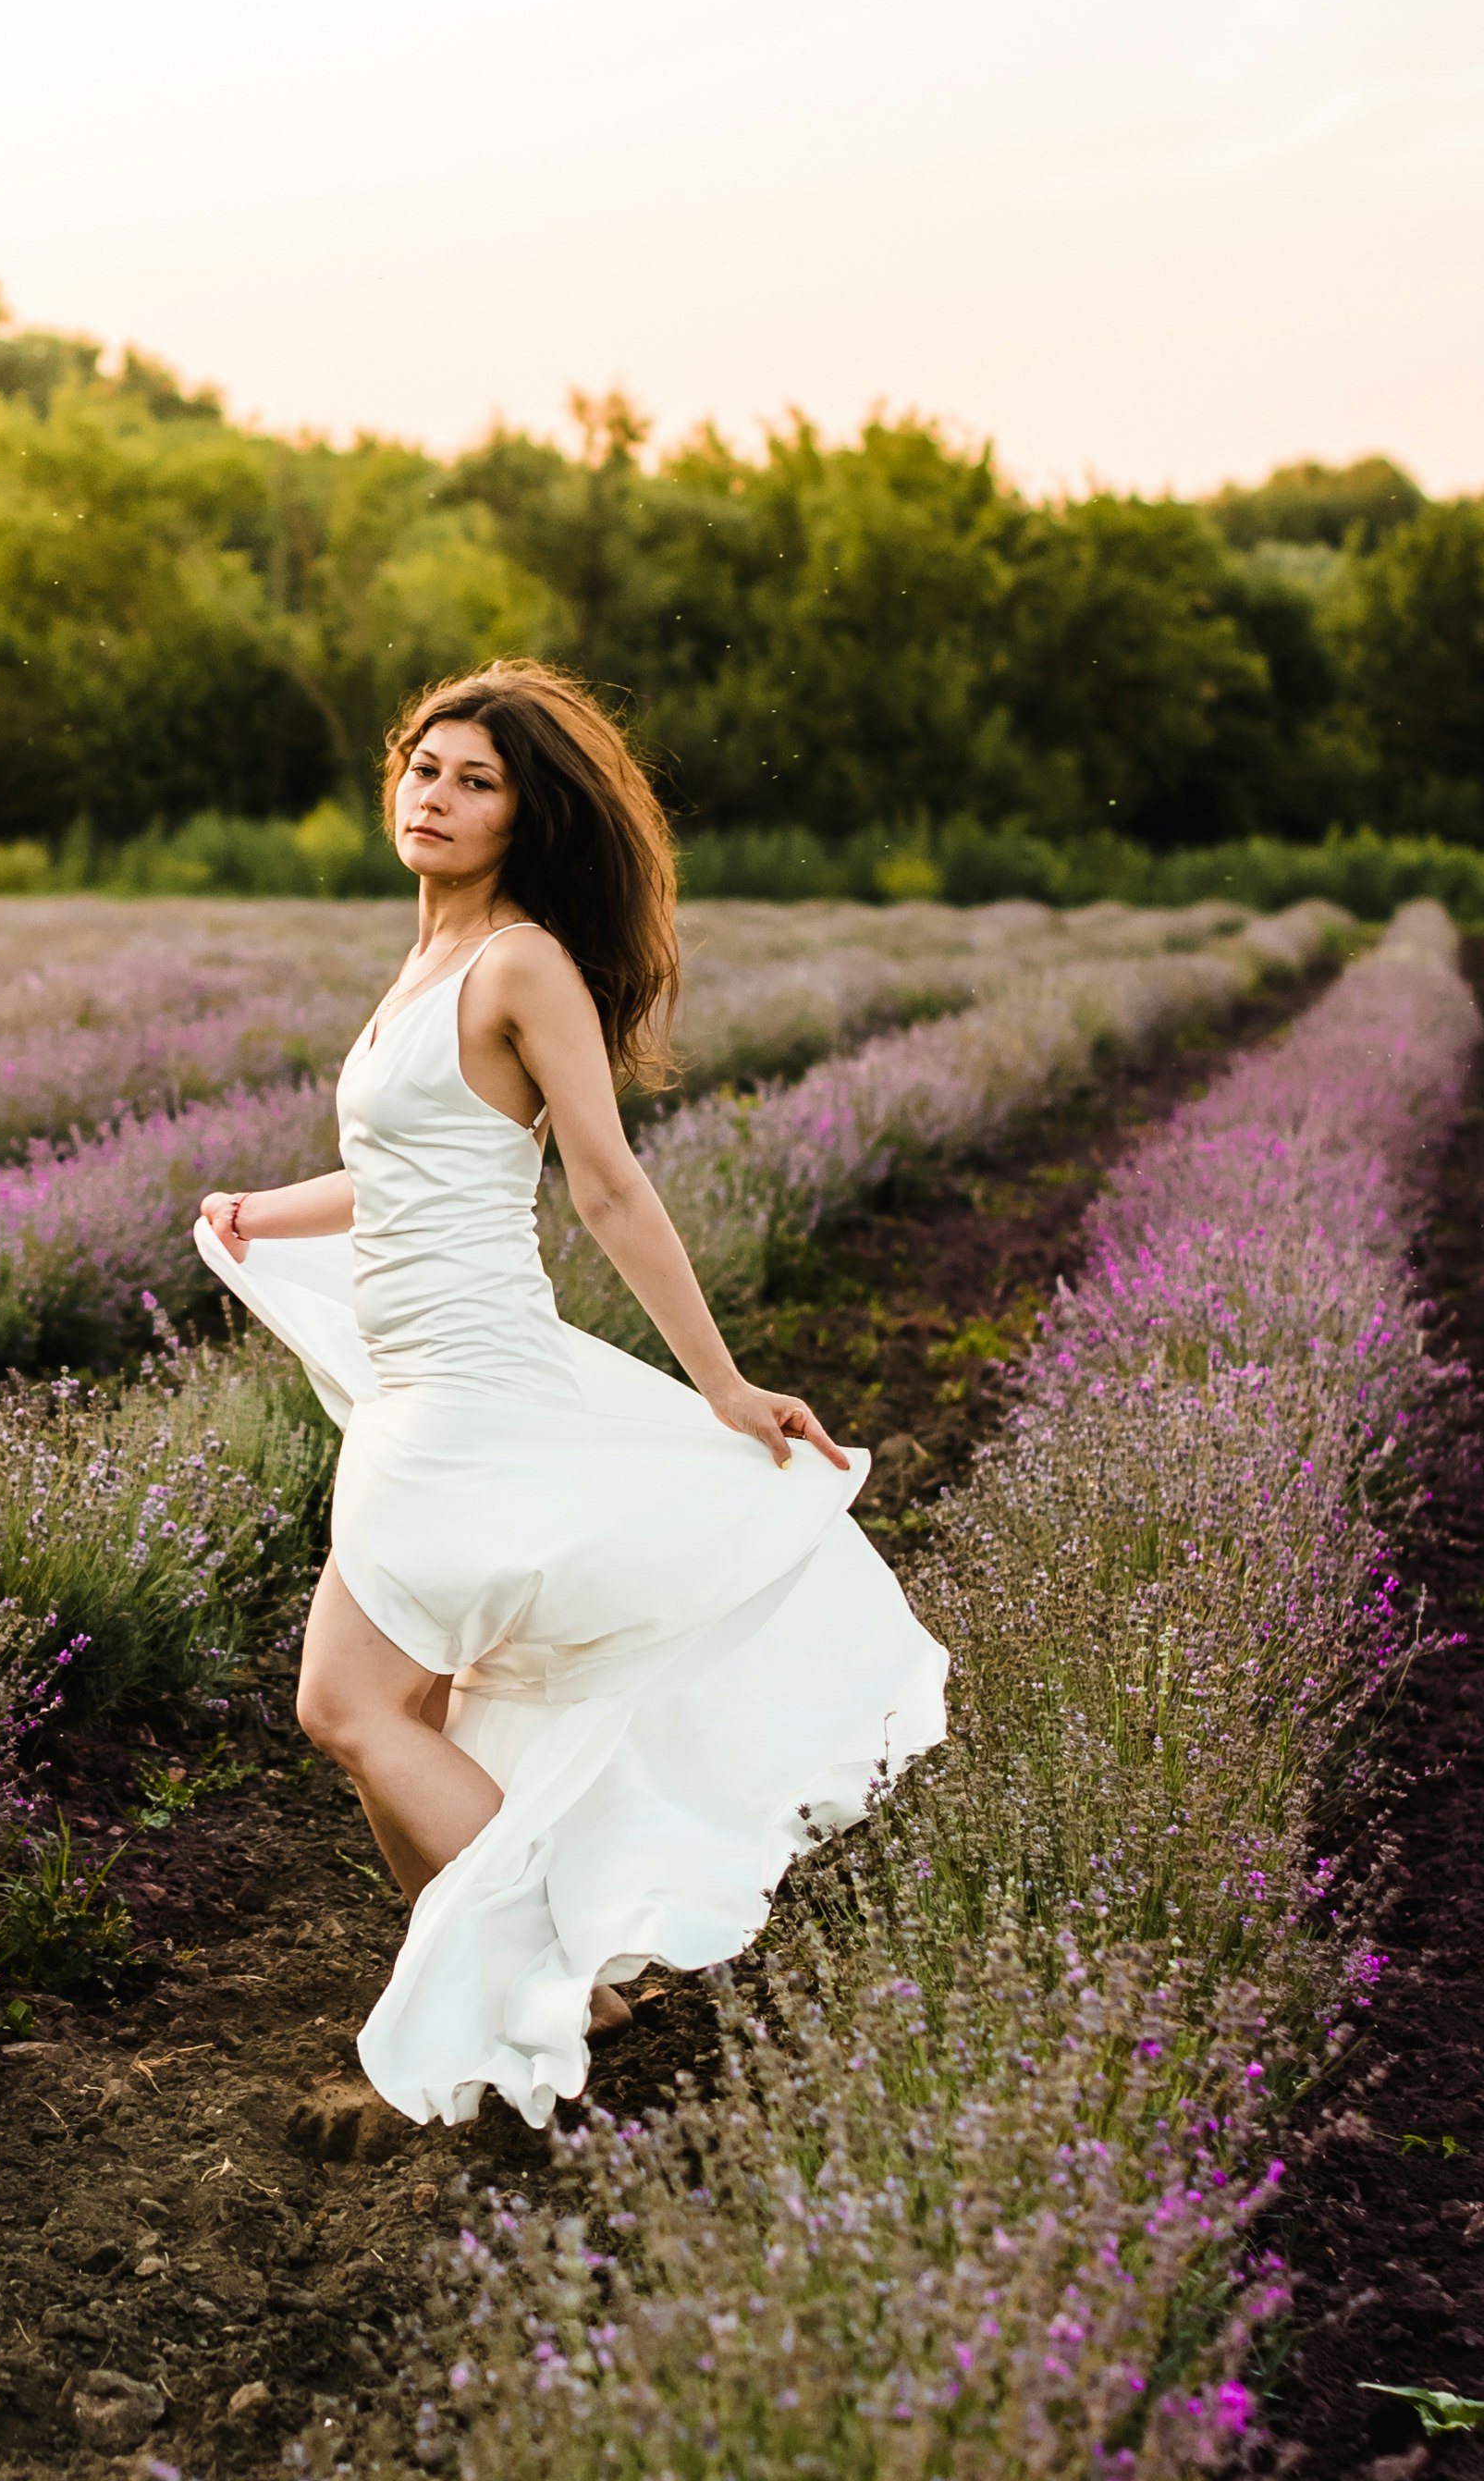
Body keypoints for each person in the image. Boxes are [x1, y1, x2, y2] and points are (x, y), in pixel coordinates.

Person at [196, 662, 946, 2130]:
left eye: (477, 782)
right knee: (417, 1709)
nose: (438, 796)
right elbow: (415, 1173)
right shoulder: (425, 965)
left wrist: (720, 1383)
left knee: (350, 1704)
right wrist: (258, 1210)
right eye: (425, 767)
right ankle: (556, 2001)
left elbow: (599, 1180)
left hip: (470, 1396)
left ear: (523, 818)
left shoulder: (522, 964)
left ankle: (545, 1981)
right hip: (423, 1383)